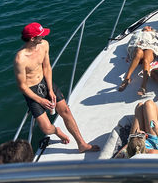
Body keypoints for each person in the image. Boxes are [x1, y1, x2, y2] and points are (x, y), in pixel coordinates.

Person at [14, 22, 99, 152]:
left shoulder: (44, 45)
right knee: (47, 128)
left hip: (45, 82)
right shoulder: (20, 59)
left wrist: (50, 90)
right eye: (40, 35)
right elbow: (22, 87)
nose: (43, 37)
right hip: (31, 89)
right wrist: (41, 100)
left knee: (66, 111)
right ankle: (57, 131)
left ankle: (82, 144)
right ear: (32, 39)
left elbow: (47, 67)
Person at [118, 25, 158, 96]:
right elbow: (131, 42)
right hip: (138, 47)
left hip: (150, 46)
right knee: (138, 53)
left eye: (150, 27)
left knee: (146, 60)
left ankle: (143, 85)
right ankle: (127, 79)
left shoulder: (155, 33)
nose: (149, 27)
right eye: (148, 26)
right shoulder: (137, 33)